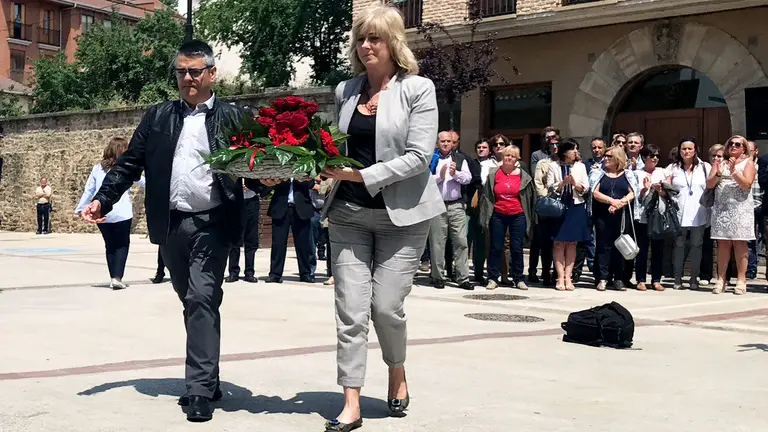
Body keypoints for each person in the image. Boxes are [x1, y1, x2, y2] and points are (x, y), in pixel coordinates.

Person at [81, 40, 257, 422]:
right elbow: (129, 164)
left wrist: (263, 182)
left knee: (202, 297)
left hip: (213, 221)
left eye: (196, 71)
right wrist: (102, 199)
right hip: (172, 224)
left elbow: (259, 163)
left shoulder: (234, 117)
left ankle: (197, 390)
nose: (188, 78)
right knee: (189, 299)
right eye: (182, 71)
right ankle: (208, 377)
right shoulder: (158, 117)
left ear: (212, 74)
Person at [318, 3, 444, 430]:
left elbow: (417, 157)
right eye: (361, 38)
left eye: (375, 38)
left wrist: (359, 174)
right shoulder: (345, 90)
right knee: (351, 310)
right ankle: (350, 400)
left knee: (386, 307)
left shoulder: (417, 89)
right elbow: (336, 146)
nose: (366, 45)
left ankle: (396, 369)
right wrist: (316, 165)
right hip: (349, 214)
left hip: (403, 217)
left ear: (393, 43)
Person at [75, 137, 145, 290]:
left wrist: (81, 208)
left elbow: (89, 189)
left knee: (110, 245)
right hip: (122, 212)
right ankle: (117, 277)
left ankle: (113, 275)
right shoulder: (126, 167)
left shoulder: (97, 168)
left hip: (103, 211)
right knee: (122, 244)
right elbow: (141, 181)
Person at [480, 145, 534, 290]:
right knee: (496, 246)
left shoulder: (524, 176)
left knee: (517, 248)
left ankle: (518, 278)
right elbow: (486, 196)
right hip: (498, 213)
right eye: (507, 155)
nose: (509, 158)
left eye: (513, 156)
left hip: (517, 214)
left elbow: (529, 198)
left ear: (517, 159)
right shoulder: (493, 174)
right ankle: (492, 278)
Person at [709, 135, 756, 295]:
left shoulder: (748, 163)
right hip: (722, 209)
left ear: (744, 148)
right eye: (731, 144)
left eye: (738, 144)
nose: (734, 146)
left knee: (740, 243)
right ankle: (721, 279)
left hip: (740, 208)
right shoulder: (719, 162)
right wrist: (718, 174)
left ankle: (741, 280)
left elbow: (747, 184)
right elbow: (709, 184)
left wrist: (734, 171)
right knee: (722, 244)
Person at [428, 131, 474, 290]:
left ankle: (463, 278)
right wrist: (440, 177)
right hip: (437, 204)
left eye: (449, 141)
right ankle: (438, 277)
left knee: (461, 241)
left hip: (456, 205)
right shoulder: (431, 158)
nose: (446, 144)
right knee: (437, 242)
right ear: (437, 143)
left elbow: (468, 178)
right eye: (443, 141)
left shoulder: (460, 158)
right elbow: (424, 181)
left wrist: (455, 175)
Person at [590, 146, 638, 291]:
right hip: (603, 215)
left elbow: (632, 193)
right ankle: (603, 278)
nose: (606, 158)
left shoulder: (628, 174)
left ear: (618, 158)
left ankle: (619, 279)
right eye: (606, 156)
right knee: (603, 246)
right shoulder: (598, 173)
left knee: (620, 246)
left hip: (622, 216)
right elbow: (595, 193)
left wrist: (619, 204)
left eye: (609, 156)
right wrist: (612, 201)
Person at [667, 137, 711, 291]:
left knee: (697, 246)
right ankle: (677, 278)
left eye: (689, 148)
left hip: (699, 212)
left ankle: (694, 278)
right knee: (679, 246)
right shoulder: (673, 168)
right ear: (679, 151)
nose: (686, 151)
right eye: (683, 149)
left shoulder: (705, 167)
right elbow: (666, 186)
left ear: (695, 150)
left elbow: (712, 185)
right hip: (679, 212)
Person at [547, 139, 591, 291]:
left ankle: (568, 277)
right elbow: (550, 188)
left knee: (572, 243)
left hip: (576, 206)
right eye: (573, 150)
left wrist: (574, 184)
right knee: (559, 242)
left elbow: (585, 188)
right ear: (565, 151)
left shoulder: (580, 166)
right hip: (559, 207)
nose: (575, 152)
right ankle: (559, 277)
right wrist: (563, 184)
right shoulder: (553, 166)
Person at [260, 178, 316, 283]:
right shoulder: (281, 170)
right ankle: (275, 274)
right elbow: (271, 185)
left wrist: (296, 178)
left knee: (303, 244)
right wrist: (284, 178)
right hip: (281, 208)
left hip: (301, 208)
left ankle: (305, 273)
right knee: (278, 243)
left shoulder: (302, 169)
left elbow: (310, 183)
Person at [633, 144, 667, 291]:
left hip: (659, 214)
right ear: (644, 157)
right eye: (652, 156)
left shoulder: (662, 172)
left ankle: (656, 279)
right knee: (642, 248)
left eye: (657, 156)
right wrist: (645, 189)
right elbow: (635, 197)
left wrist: (660, 191)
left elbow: (669, 194)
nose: (655, 159)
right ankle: (640, 279)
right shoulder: (636, 174)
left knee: (658, 249)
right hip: (643, 215)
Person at [225, 184, 264, 283]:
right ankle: (233, 272)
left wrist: (254, 187)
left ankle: (249, 272)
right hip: (235, 200)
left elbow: (261, 182)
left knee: (251, 238)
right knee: (235, 237)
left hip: (251, 200)